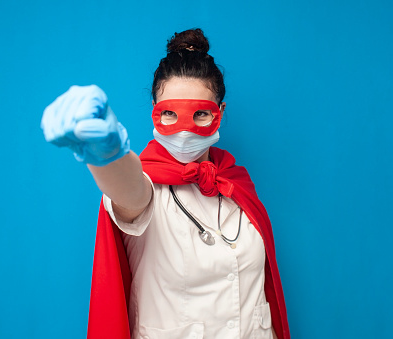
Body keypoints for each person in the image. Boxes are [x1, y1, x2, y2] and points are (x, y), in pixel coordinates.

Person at [41, 28, 290, 339]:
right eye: (169, 114)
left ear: (220, 113)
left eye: (201, 114)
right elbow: (128, 190)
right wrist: (108, 154)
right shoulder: (146, 187)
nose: (184, 130)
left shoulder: (235, 181)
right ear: (154, 113)